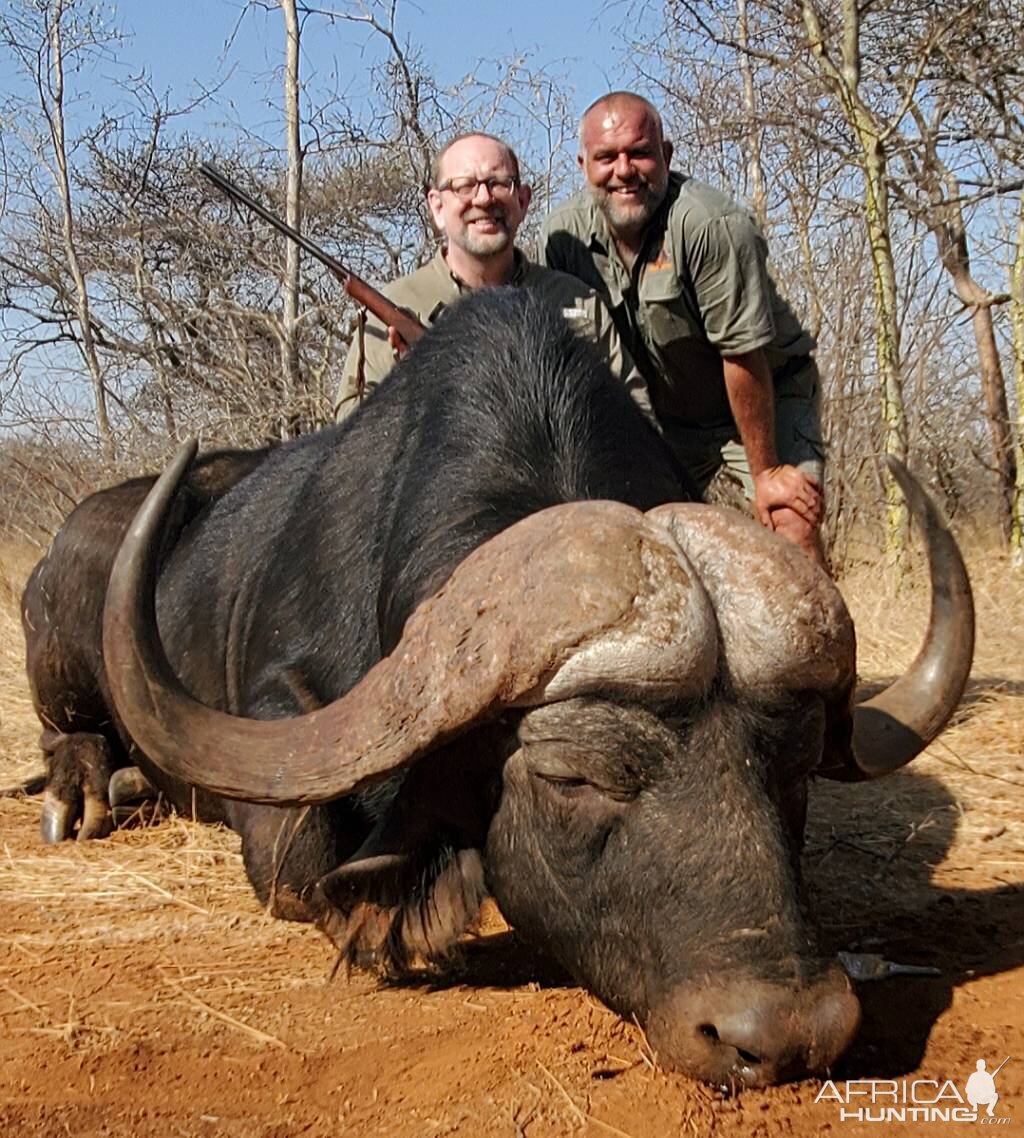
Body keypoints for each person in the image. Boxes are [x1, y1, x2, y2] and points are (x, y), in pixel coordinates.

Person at [539, 91, 827, 566]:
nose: (624, 170)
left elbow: (743, 355)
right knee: (621, 546)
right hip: (661, 419)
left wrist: (768, 470)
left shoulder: (711, 225)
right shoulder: (562, 237)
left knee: (788, 518)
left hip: (760, 402)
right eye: (607, 157)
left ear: (666, 156)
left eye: (640, 153)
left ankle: (824, 640)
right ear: (584, 164)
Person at [336, 132, 642, 419]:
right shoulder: (392, 309)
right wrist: (407, 393)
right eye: (464, 186)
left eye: (498, 183)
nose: (483, 199)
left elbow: (637, 419)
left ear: (522, 202)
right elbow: (352, 450)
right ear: (437, 207)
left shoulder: (576, 300)